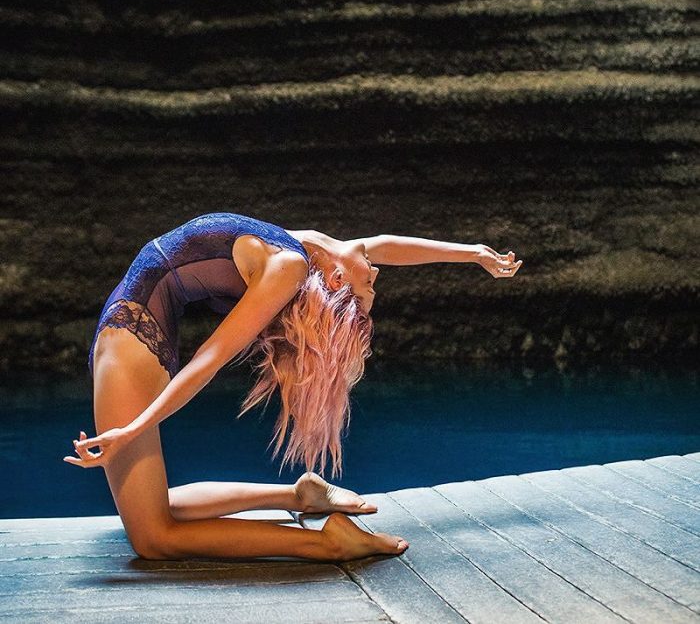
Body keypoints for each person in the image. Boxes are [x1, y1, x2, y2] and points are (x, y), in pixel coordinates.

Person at [64, 212, 522, 562]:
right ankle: (299, 496)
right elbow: (391, 247)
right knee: (155, 512)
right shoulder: (311, 249)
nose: (377, 275)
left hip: (132, 336)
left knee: (153, 539)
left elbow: (211, 359)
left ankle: (327, 543)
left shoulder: (289, 265)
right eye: (371, 286)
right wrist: (476, 253)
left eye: (369, 290)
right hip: (138, 328)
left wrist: (134, 427)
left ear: (339, 281)